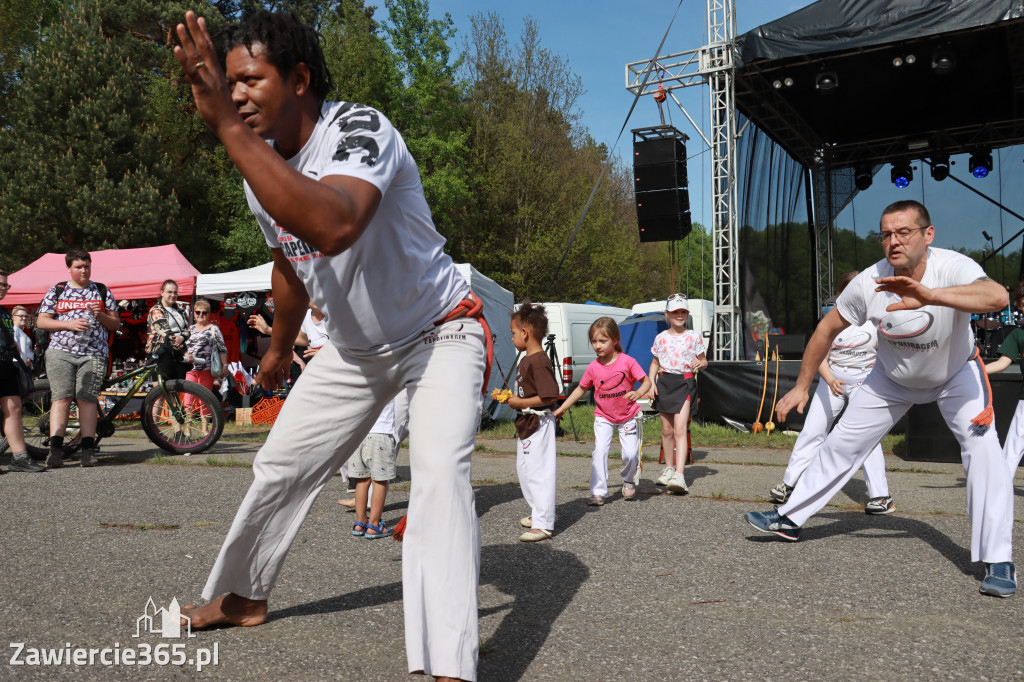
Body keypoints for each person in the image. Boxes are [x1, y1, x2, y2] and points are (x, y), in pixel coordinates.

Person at [174, 11, 488, 680]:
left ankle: (448, 664)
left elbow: (335, 223)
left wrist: (228, 132)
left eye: (249, 81)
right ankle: (244, 597)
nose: (232, 98)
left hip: (440, 332)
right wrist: (279, 347)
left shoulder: (361, 129)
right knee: (279, 467)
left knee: (437, 479)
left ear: (299, 79)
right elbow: (289, 263)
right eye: (225, 85)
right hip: (353, 349)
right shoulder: (259, 161)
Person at [746, 200, 1016, 598]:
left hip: (956, 375)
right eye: (886, 233)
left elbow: (997, 298)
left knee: (985, 455)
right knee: (840, 444)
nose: (893, 241)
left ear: (928, 235)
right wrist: (803, 385)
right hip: (890, 380)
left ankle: (999, 560)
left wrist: (930, 296)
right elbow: (824, 331)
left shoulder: (954, 266)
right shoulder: (868, 281)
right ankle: (788, 519)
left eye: (903, 232)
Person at [768, 271, 895, 515]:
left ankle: (881, 496)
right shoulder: (833, 319)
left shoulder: (877, 318)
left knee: (867, 436)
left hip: (864, 381)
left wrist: (872, 376)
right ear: (841, 293)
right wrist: (831, 379)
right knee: (812, 431)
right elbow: (820, 356)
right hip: (832, 380)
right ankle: (789, 484)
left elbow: (887, 354)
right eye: (849, 290)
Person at [35, 249, 120, 469]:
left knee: (87, 399)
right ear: (69, 268)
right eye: (78, 267)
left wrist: (99, 315)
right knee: (61, 398)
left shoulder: (101, 290)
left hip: (93, 353)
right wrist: (68, 324)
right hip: (60, 352)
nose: (83, 270)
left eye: (86, 266)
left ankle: (88, 451)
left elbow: (115, 324)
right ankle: (55, 450)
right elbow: (42, 322)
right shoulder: (58, 289)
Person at [554, 317, 651, 505]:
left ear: (615, 340)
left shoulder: (627, 362)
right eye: (594, 341)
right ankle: (598, 491)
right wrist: (563, 408)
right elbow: (580, 389)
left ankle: (629, 478)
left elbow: (646, 381)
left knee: (631, 454)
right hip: (603, 417)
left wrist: (638, 392)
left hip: (627, 416)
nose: (597, 345)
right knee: (600, 452)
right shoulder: (593, 367)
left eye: (602, 341)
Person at [507, 302, 560, 542]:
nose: (512, 338)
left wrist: (519, 403)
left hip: (538, 424)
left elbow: (549, 395)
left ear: (525, 333)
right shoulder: (527, 359)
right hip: (526, 425)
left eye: (513, 333)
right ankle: (540, 511)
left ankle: (544, 523)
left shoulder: (538, 360)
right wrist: (513, 399)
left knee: (539, 473)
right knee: (525, 471)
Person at [649, 294, 708, 494]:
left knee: (680, 430)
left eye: (683, 312)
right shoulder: (660, 337)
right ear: (667, 314)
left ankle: (680, 476)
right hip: (664, 382)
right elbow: (655, 363)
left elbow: (704, 360)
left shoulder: (693, 336)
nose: (679, 315)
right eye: (675, 312)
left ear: (687, 314)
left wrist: (701, 363)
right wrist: (650, 384)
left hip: (685, 382)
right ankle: (668, 468)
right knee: (666, 430)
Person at [0, 271, 45, 473]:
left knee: (14, 408)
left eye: (5, 285)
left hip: (7, 365)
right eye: (0, 284)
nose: (3, 288)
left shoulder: (3, 312)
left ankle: (20, 457)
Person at [985, 279, 1024, 472]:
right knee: (1013, 447)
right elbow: (1002, 363)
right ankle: (1002, 488)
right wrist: (977, 370)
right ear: (1018, 305)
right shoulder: (1018, 334)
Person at [348, 398, 399, 539]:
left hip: (358, 433)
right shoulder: (387, 375)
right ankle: (374, 524)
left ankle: (360, 522)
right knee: (380, 482)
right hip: (380, 433)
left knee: (362, 481)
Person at [182, 299, 228, 435]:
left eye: (204, 312)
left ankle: (204, 428)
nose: (201, 315)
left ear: (208, 314)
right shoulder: (188, 330)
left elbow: (222, 349)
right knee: (188, 400)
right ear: (194, 314)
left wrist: (225, 365)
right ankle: (187, 428)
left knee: (205, 400)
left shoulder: (214, 329)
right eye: (198, 312)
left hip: (206, 370)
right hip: (190, 369)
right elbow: (182, 347)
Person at [147, 279, 191, 380]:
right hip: (161, 353)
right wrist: (184, 351)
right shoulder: (156, 310)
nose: (173, 295)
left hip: (177, 354)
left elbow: (187, 330)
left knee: (176, 392)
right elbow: (166, 334)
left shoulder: (179, 310)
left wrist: (182, 337)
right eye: (169, 292)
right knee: (162, 392)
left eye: (175, 292)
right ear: (162, 292)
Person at [11, 306, 34, 371]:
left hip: (24, 362)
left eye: (26, 316)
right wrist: (23, 358)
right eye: (21, 316)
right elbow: (14, 344)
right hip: (19, 363)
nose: (24, 318)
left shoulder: (19, 330)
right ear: (13, 317)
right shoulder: (14, 329)